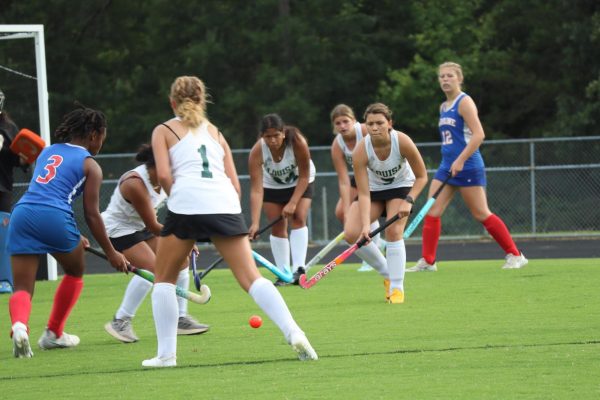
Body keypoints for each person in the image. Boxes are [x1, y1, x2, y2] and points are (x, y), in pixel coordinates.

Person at [144, 76, 317, 367]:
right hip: (223, 202)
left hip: (186, 202)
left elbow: (163, 176)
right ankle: (295, 332)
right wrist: (229, 219)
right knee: (252, 278)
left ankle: (166, 356)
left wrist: (181, 206)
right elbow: (235, 183)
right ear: (203, 100)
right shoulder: (215, 132)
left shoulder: (163, 130)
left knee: (163, 279)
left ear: (172, 102)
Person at [7, 105, 129, 358]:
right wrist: (112, 252)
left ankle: (19, 327)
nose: (101, 144)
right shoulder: (91, 165)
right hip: (53, 216)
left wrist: (72, 235)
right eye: (102, 138)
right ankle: (53, 333)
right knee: (75, 270)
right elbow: (92, 214)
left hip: (22, 213)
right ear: (94, 135)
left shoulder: (48, 151)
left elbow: (49, 189)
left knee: (22, 286)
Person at [407, 61, 528, 272]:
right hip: (447, 167)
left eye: (450, 76)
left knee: (481, 213)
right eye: (442, 76)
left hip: (468, 166)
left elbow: (479, 134)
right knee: (432, 212)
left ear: (459, 79)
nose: (445, 79)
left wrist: (461, 160)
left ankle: (516, 255)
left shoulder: (465, 102)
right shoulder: (443, 106)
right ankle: (428, 261)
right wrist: (452, 162)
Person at [102, 143, 209, 343]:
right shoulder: (135, 183)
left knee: (182, 260)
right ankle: (120, 320)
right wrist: (182, 236)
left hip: (141, 227)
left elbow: (176, 211)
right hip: (119, 229)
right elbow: (152, 224)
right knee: (153, 269)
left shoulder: (167, 179)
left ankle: (180, 319)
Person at [343, 103, 428, 303]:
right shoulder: (361, 150)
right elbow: (363, 193)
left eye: (380, 123)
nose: (374, 128)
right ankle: (387, 273)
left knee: (393, 232)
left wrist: (409, 200)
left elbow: (422, 177)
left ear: (389, 123)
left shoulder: (403, 141)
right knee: (352, 233)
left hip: (401, 187)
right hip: (373, 191)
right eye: (370, 123)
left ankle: (397, 289)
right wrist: (365, 227)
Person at [248, 114, 316, 285]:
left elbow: (304, 176)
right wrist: (255, 223)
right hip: (272, 186)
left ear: (283, 133)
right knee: (277, 226)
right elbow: (256, 189)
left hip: (301, 181)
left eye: (276, 135)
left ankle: (299, 270)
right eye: (267, 136)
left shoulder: (297, 142)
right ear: (262, 136)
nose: (272, 140)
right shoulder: (257, 151)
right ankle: (283, 273)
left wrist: (293, 202)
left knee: (299, 217)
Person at [329, 104, 385, 272]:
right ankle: (378, 244)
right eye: (338, 123)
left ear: (354, 121)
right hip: (359, 177)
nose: (342, 126)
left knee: (364, 211)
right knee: (341, 212)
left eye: (346, 121)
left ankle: (372, 255)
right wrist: (346, 210)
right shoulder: (337, 145)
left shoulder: (366, 131)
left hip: (378, 175)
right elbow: (344, 180)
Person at [0, 89, 30, 293]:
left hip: (2, 187)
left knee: (2, 235)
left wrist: (25, 159)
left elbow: (18, 159)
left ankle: (4, 280)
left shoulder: (8, 128)